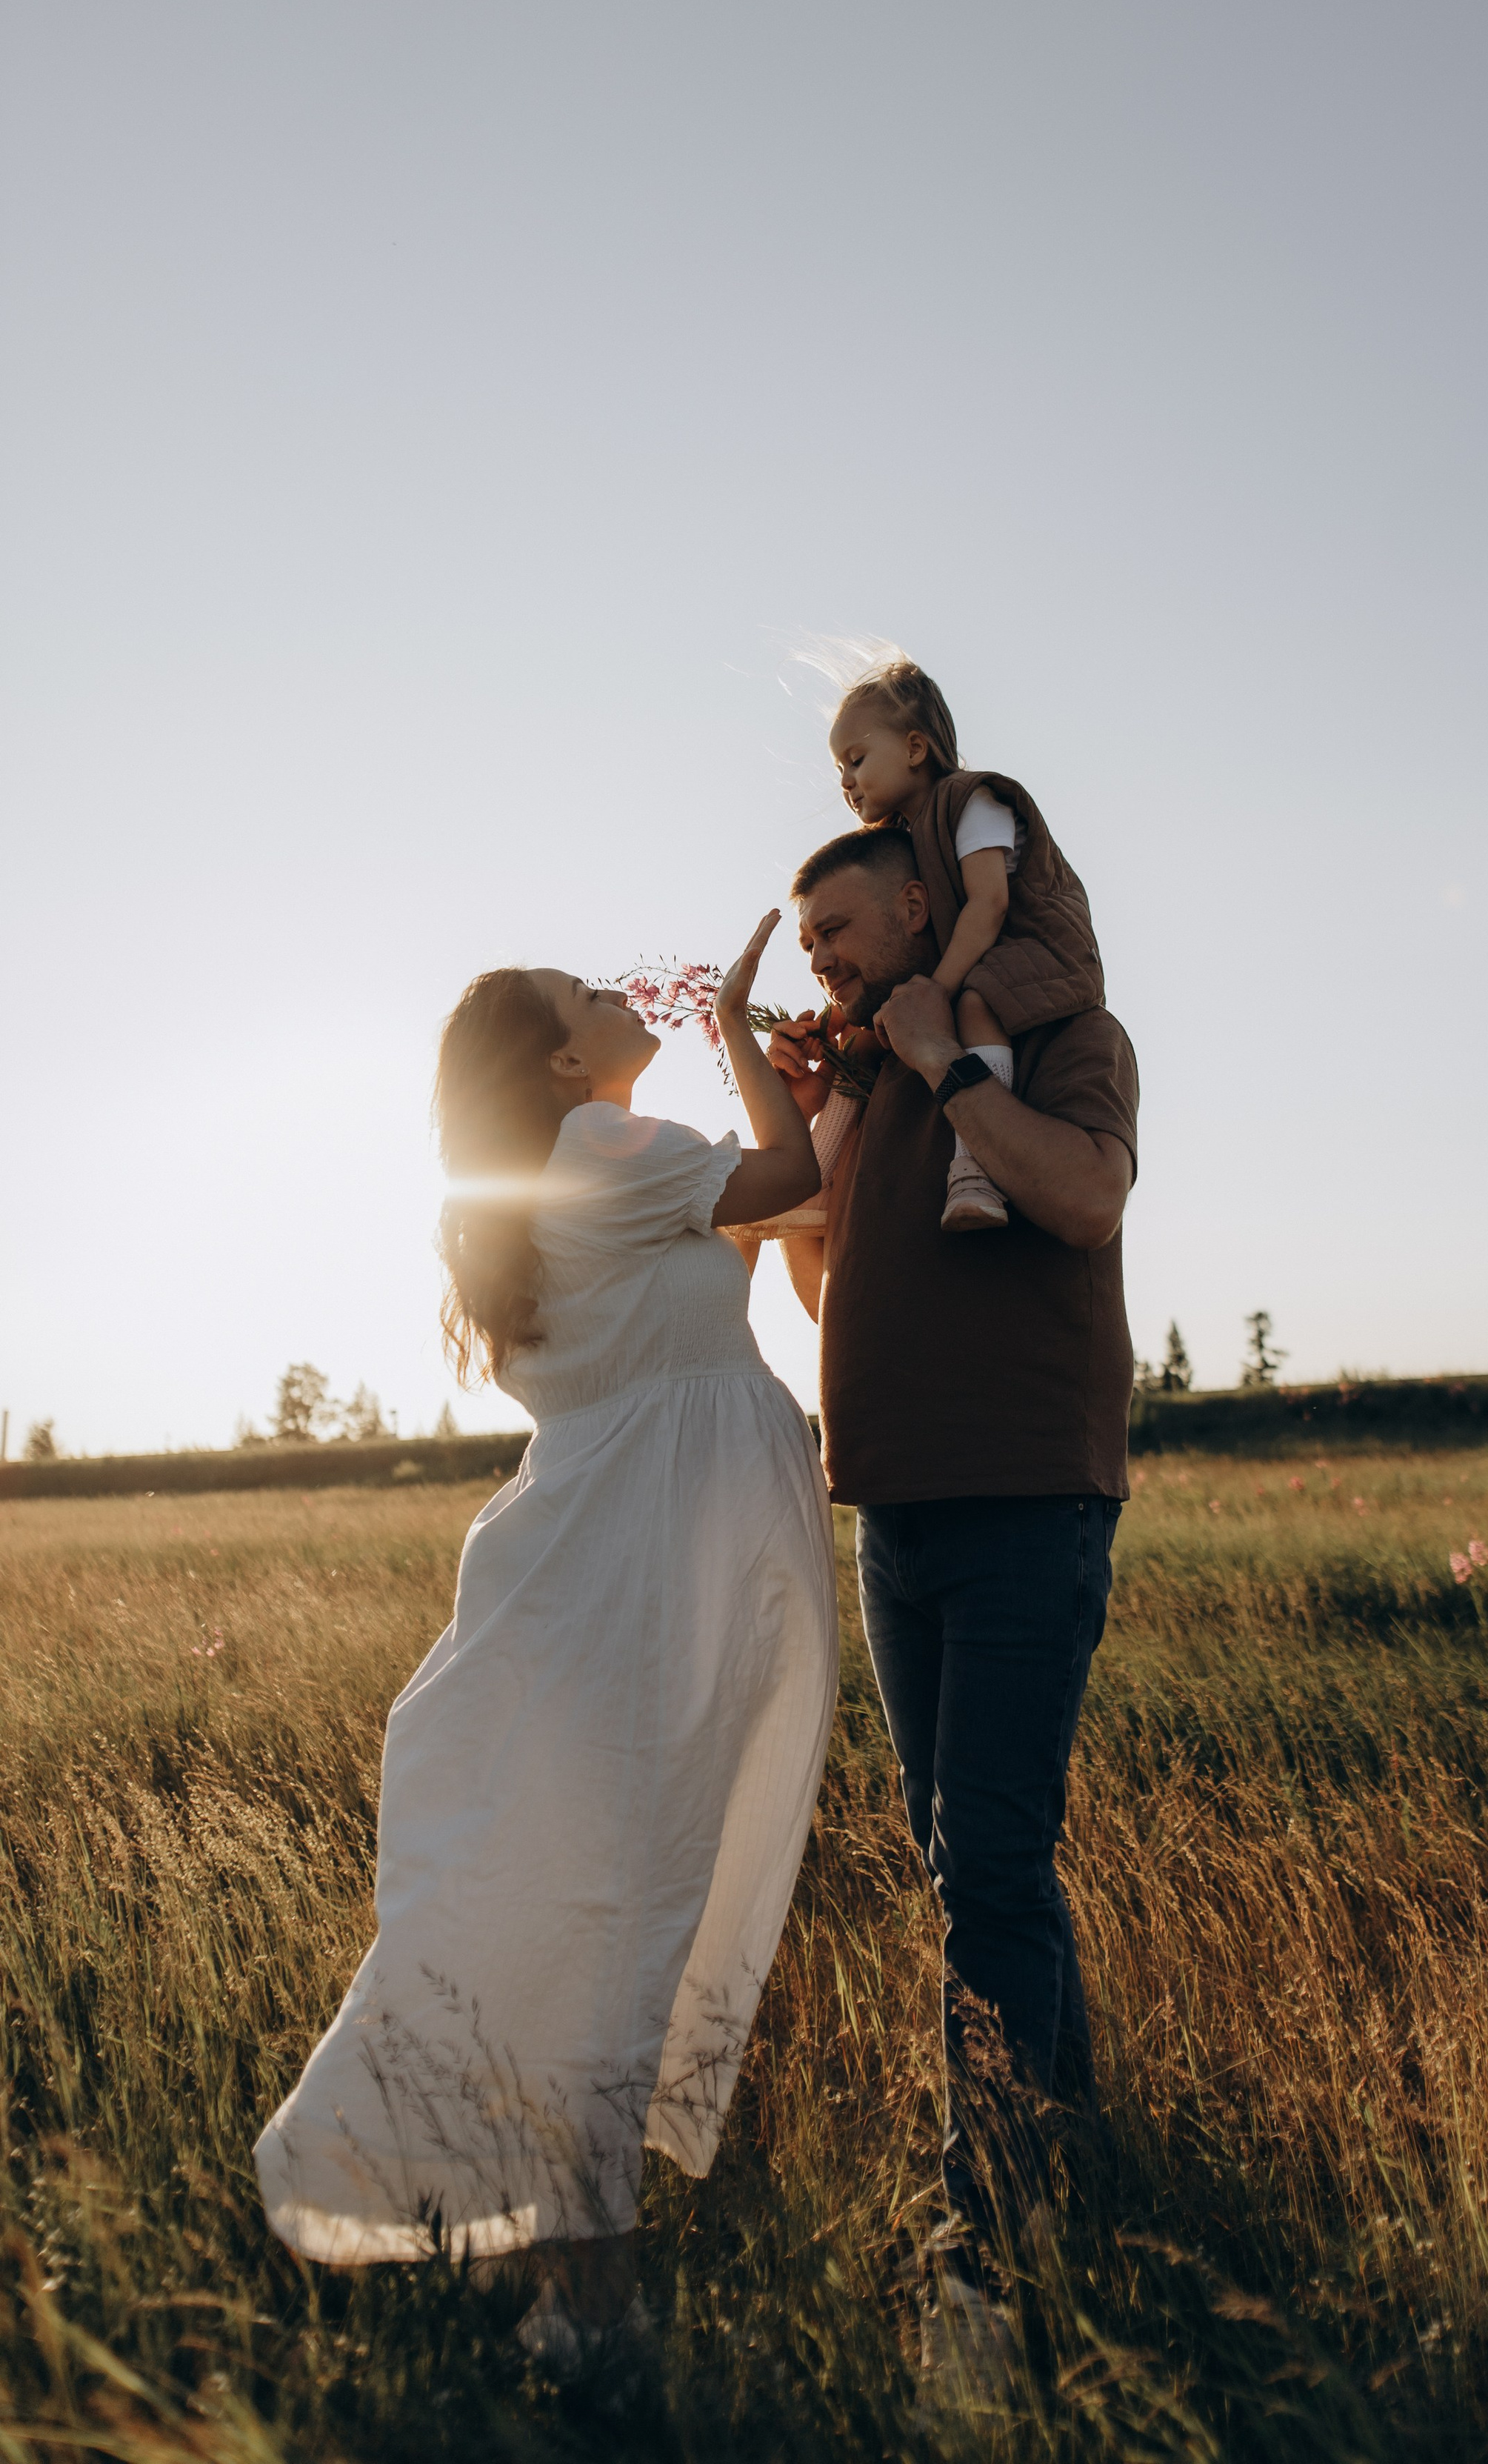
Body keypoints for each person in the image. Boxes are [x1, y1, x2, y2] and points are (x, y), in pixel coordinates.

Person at [254, 917, 838, 2361]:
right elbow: (792, 1181)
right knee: (624, 1915)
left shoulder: (596, 1174)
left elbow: (734, 1257)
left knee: (602, 1907)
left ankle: (567, 2276)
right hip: (643, 1560)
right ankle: (592, 2312)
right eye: (584, 993)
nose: (609, 986)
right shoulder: (601, 1148)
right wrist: (734, 1021)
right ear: (563, 1059)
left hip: (615, 1552)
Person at [767, 823, 1136, 2332]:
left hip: (1020, 1500)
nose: (826, 967)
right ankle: (1071, 2164)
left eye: (840, 934)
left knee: (984, 1864)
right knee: (967, 1863)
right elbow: (820, 1285)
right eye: (807, 952)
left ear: (920, 906)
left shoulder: (1057, 1034)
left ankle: (984, 2255)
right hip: (890, 1513)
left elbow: (1084, 1200)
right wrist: (814, 1116)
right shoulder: (864, 1079)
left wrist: (945, 1065)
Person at [824, 654, 1104, 1232]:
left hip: (1039, 943)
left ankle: (975, 1170)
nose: (846, 780)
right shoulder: (906, 837)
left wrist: (938, 989)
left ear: (916, 748)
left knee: (974, 1005)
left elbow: (990, 904)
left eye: (856, 759)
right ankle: (816, 1179)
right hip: (990, 950)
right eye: (839, 769)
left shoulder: (970, 801)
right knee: (868, 1046)